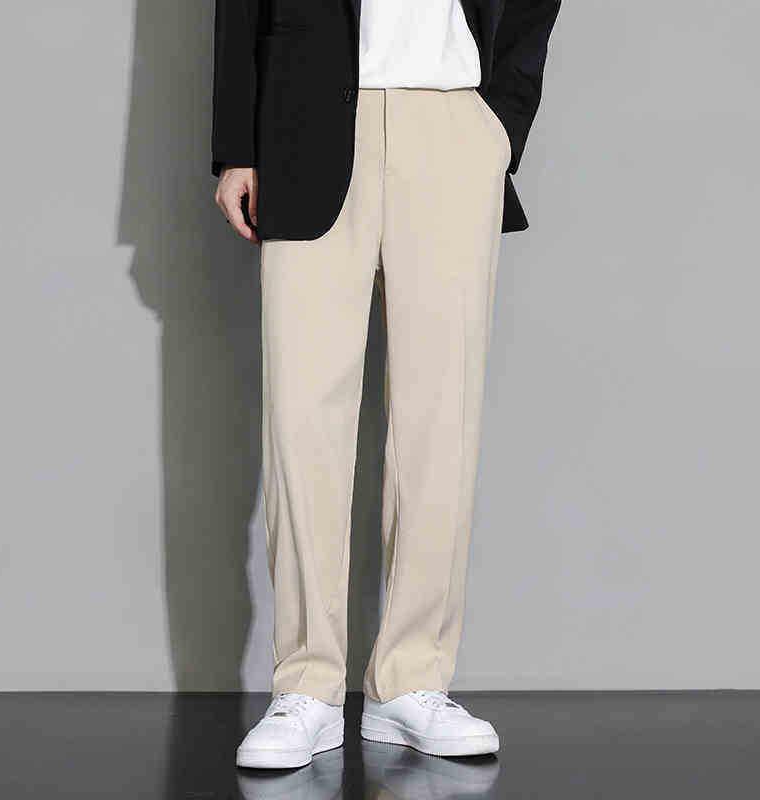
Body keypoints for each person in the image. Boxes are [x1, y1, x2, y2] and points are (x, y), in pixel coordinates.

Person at [213, 0, 561, 770]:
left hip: (450, 120)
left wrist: (498, 126)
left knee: (441, 419)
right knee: (302, 418)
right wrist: (236, 146)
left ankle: (412, 679)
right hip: (301, 121)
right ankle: (305, 684)